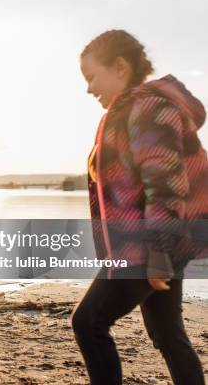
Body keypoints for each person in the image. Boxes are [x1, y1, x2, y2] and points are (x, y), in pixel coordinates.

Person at [73, 29, 208, 384]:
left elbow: (165, 183)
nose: (88, 89)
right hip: (154, 246)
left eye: (91, 77)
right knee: (167, 334)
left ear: (120, 66)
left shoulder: (147, 107)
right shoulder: (123, 113)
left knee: (88, 323)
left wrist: (159, 251)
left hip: (149, 247)